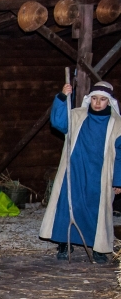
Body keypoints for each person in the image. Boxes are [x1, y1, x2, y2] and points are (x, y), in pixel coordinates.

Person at [40, 81, 121, 263]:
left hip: (99, 175)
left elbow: (120, 155)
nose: (97, 103)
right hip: (74, 170)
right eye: (94, 98)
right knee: (67, 204)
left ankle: (99, 247)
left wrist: (119, 180)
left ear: (109, 101)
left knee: (96, 209)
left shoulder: (117, 124)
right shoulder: (77, 115)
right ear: (89, 99)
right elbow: (58, 122)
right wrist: (62, 97)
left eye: (102, 99)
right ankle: (63, 242)